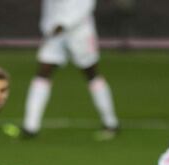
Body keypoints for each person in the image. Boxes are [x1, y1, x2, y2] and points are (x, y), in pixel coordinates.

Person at [19, 0, 118, 140]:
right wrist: (48, 25)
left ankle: (111, 122)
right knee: (43, 72)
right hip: (55, 31)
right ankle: (30, 126)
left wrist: (64, 23)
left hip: (79, 31)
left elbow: (86, 4)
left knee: (91, 73)